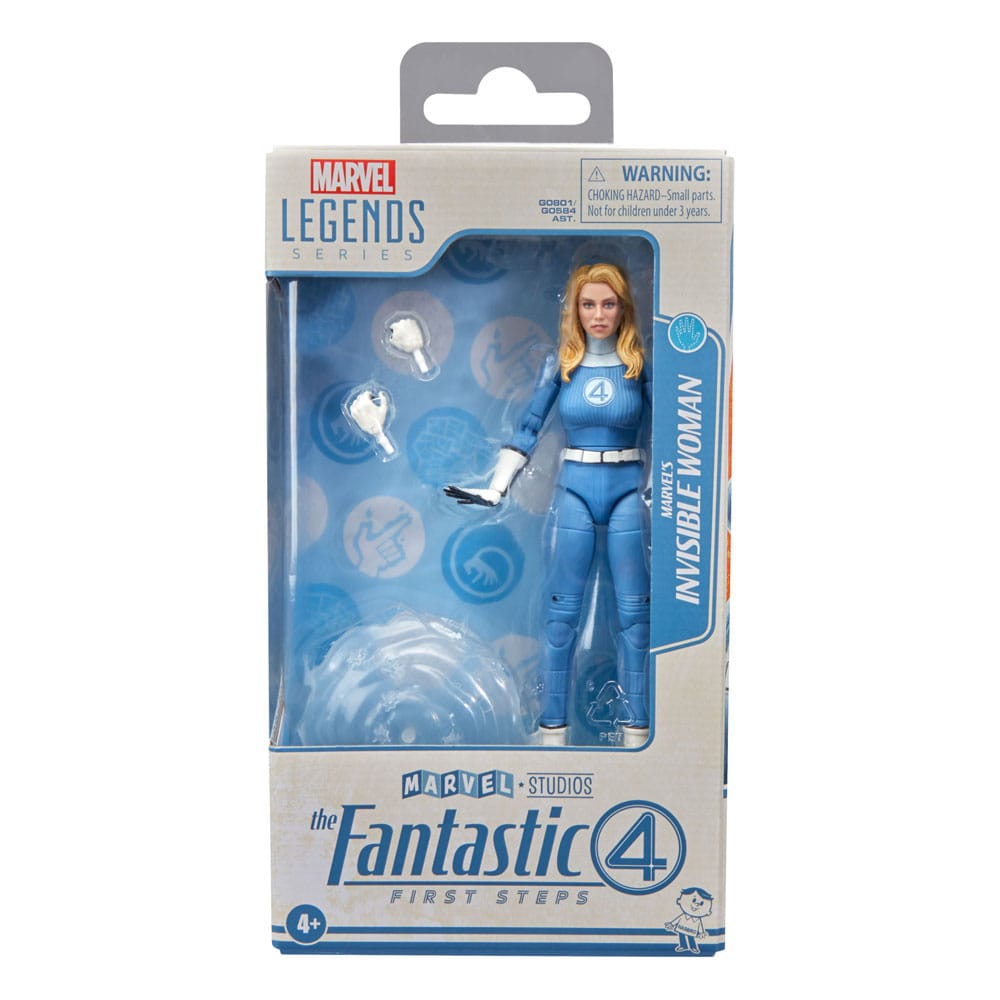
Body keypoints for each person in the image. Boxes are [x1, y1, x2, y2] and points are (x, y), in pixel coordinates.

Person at [446, 262, 651, 747]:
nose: (598, 314)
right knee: (561, 619)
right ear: (574, 309)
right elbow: (527, 429)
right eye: (588, 304)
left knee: (635, 619)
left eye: (608, 304)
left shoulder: (640, 367)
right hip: (574, 489)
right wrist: (496, 488)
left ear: (622, 308)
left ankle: (638, 733)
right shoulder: (562, 365)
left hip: (627, 490)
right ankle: (552, 732)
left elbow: (678, 431)